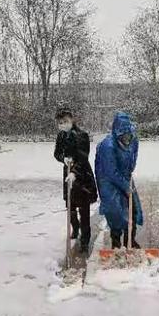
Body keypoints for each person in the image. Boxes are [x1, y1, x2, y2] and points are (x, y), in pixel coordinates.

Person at [95, 112, 143, 249]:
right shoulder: (107, 146)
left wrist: (127, 183)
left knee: (132, 209)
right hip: (108, 180)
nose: (127, 139)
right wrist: (124, 186)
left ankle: (130, 241)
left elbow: (132, 161)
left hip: (125, 176)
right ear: (117, 134)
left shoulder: (134, 140)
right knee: (115, 211)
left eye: (128, 136)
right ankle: (115, 243)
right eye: (123, 136)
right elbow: (110, 171)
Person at [53, 106, 97, 254]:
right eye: (60, 122)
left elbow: (83, 157)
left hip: (82, 176)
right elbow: (57, 153)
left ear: (72, 120)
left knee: (84, 210)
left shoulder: (81, 135)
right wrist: (63, 159)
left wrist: (75, 173)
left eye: (65, 121)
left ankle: (85, 239)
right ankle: (75, 228)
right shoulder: (61, 136)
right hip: (68, 175)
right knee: (71, 207)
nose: (62, 125)